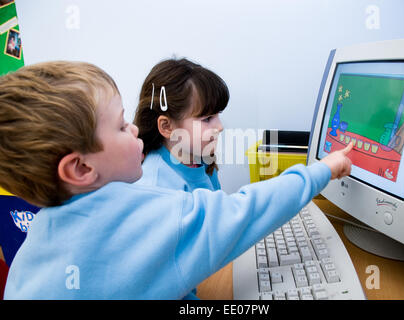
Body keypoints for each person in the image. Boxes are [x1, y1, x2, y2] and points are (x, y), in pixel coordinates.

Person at [0, 61, 353, 299]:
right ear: (80, 169)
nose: (134, 127)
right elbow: (243, 211)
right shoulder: (150, 202)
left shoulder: (40, 239)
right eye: (122, 125)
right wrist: (323, 169)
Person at [134, 58, 228, 299]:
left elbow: (218, 216)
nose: (219, 126)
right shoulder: (156, 187)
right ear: (166, 127)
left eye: (217, 115)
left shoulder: (200, 158)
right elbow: (158, 283)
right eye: (207, 119)